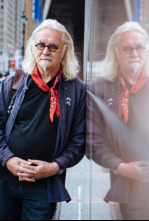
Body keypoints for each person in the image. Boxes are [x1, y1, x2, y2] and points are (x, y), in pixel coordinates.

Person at [0, 19, 86, 220]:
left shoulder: (76, 90)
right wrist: (8, 160)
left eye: (53, 46)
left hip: (43, 187)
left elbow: (79, 140)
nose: (46, 51)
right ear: (33, 47)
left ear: (64, 51)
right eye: (40, 45)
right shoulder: (11, 84)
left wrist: (55, 167)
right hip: (4, 181)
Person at [87, 21, 149, 220]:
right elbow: (92, 140)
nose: (135, 53)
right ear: (116, 52)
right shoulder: (99, 90)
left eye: (140, 47)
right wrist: (120, 167)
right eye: (127, 48)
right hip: (131, 189)